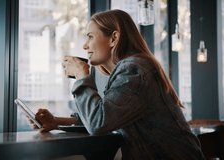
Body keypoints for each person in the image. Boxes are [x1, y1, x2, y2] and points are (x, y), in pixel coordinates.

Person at [30, 9, 205, 159]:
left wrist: (82, 76)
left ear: (114, 38)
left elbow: (99, 122)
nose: (85, 45)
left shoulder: (133, 70)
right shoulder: (131, 69)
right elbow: (109, 115)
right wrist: (56, 122)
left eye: (90, 37)